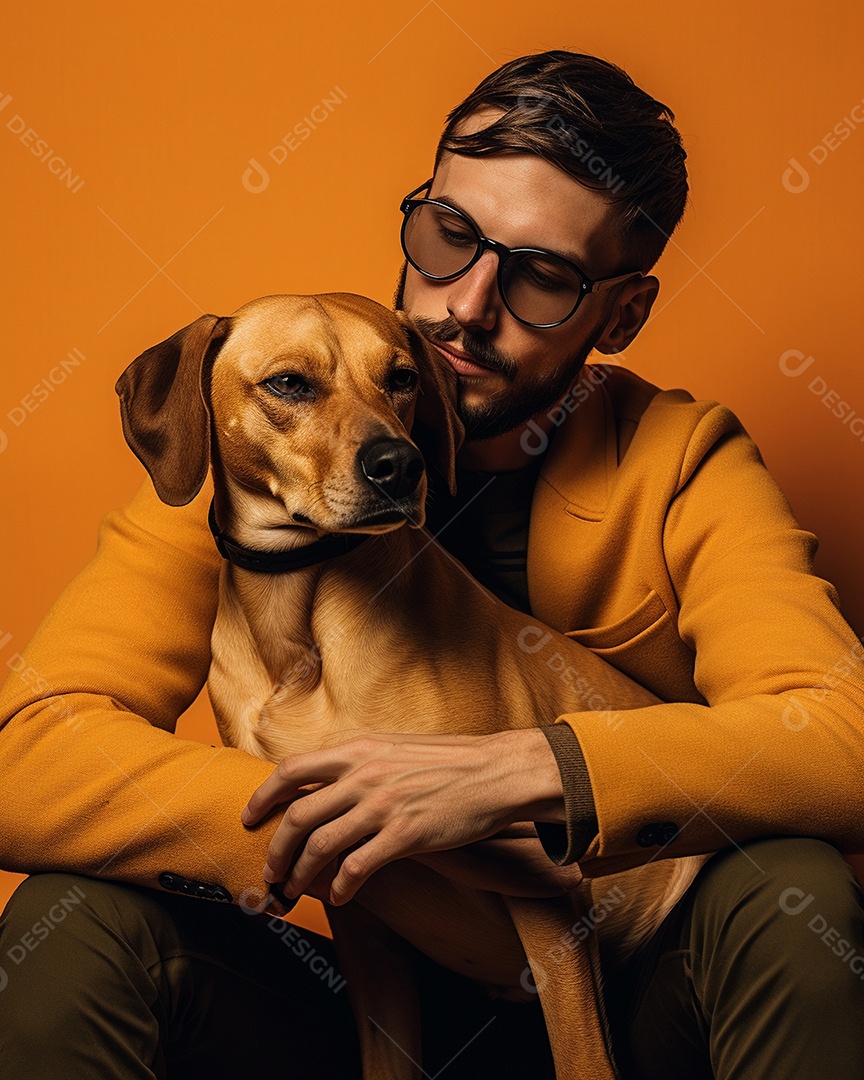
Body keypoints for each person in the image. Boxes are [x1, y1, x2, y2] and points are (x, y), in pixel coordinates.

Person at [1, 49, 863, 1080]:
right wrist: (339, 818)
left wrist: (528, 773)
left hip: (644, 991)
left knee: (793, 892)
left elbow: (842, 737)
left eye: (543, 275)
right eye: (450, 237)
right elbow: (28, 767)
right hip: (373, 994)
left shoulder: (683, 463)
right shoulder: (246, 452)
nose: (466, 303)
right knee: (74, 915)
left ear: (622, 316)